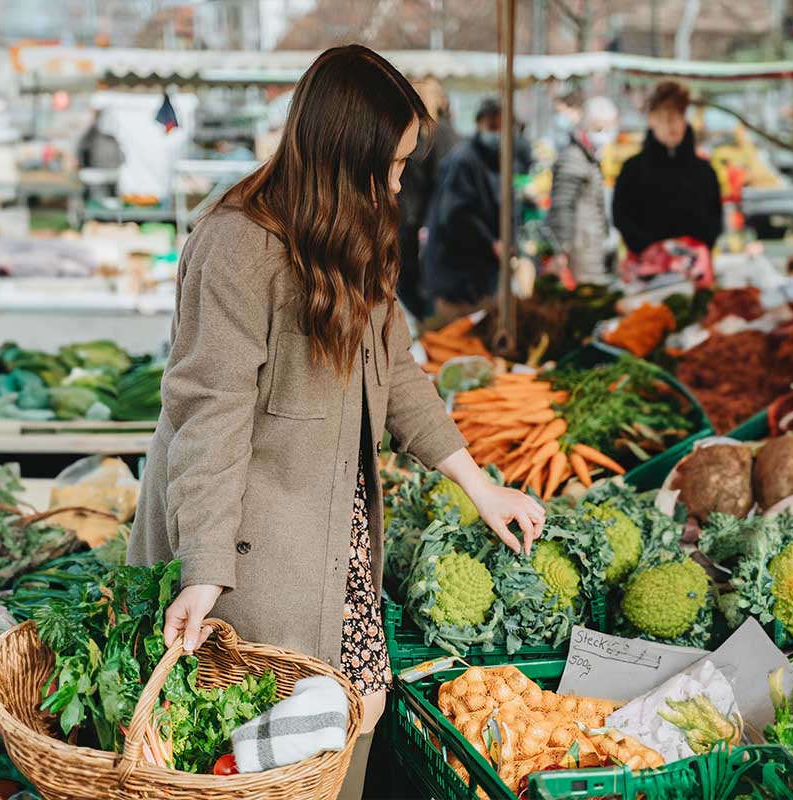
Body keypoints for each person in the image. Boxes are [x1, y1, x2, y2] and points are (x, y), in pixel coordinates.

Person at [127, 46, 545, 800]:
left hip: (335, 527)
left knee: (361, 707)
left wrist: (481, 488)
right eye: (390, 166)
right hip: (254, 539)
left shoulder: (358, 237)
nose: (398, 183)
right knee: (260, 744)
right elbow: (208, 417)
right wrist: (205, 567)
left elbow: (400, 379)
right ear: (343, 159)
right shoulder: (236, 246)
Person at [612, 81, 723, 257]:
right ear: (652, 119)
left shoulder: (705, 171)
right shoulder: (632, 170)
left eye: (678, 115)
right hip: (647, 270)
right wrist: (652, 250)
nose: (671, 124)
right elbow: (622, 217)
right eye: (664, 116)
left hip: (694, 268)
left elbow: (714, 220)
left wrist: (695, 249)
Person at [424, 98, 504, 318]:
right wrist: (491, 243)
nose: (498, 134)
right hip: (458, 278)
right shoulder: (464, 161)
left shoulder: (496, 161)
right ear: (479, 124)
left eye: (503, 128)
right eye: (493, 127)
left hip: (480, 278)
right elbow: (456, 216)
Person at [396, 78, 458, 319]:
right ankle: (426, 322)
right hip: (416, 220)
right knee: (412, 279)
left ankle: (427, 323)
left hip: (420, 221)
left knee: (415, 279)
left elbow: (441, 182)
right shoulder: (431, 132)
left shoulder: (435, 134)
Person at [549, 96, 619, 284]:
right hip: (579, 253)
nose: (605, 134)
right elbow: (562, 207)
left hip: (591, 249)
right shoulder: (574, 158)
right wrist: (562, 249)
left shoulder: (589, 157)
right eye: (599, 128)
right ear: (586, 125)